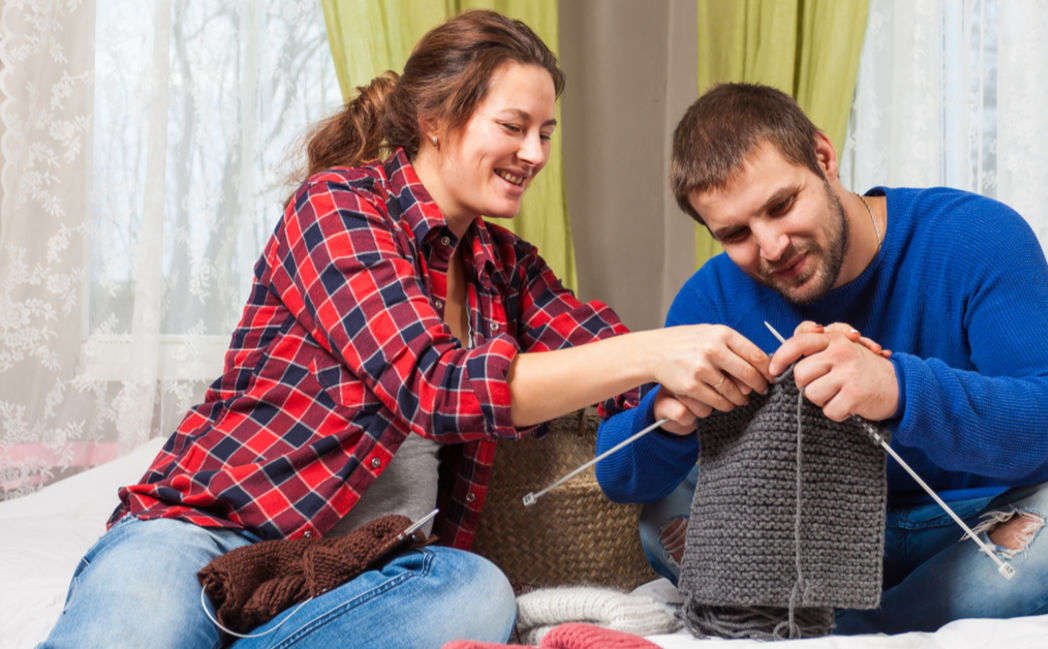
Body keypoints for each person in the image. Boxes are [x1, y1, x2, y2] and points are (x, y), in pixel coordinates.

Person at [38, 12, 772, 649]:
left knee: (475, 590)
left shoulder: (505, 268)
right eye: (514, 127)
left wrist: (699, 389)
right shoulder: (337, 210)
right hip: (208, 533)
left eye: (546, 132)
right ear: (435, 120)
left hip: (360, 576)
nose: (536, 155)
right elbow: (436, 385)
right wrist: (657, 351)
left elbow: (613, 368)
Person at [594, 82, 1048, 635]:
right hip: (804, 541)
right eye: (735, 234)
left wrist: (899, 388)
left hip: (966, 528)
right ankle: (866, 616)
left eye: (781, 206)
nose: (772, 247)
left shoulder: (974, 236)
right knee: (665, 516)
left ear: (824, 159)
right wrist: (666, 420)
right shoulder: (714, 298)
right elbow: (616, 475)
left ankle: (844, 630)